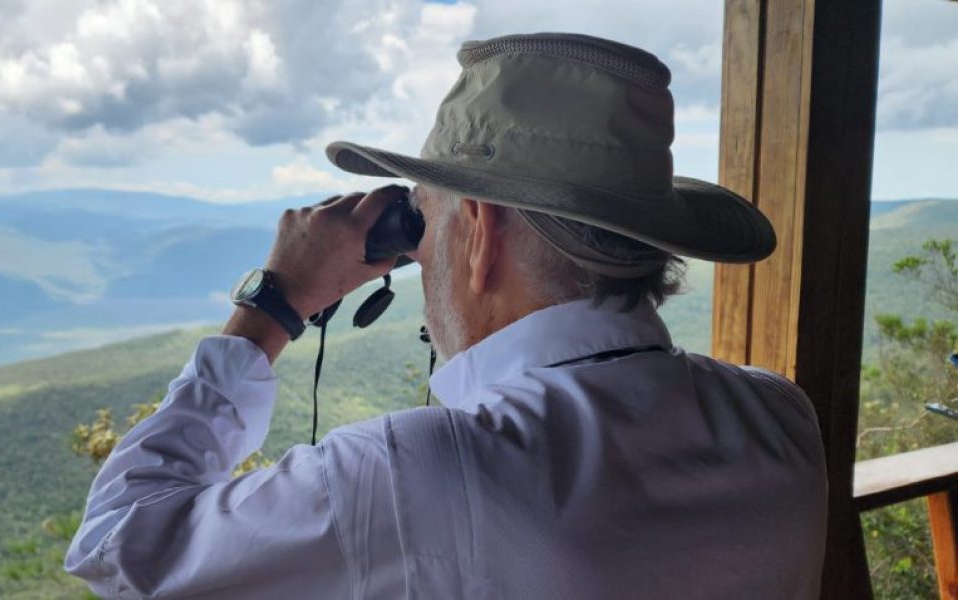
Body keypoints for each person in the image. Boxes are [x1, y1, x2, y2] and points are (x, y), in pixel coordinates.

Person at [64, 33, 827, 599]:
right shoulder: (776, 415)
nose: (419, 257)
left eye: (425, 222)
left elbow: (117, 545)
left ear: (482, 234)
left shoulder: (421, 471)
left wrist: (274, 305)